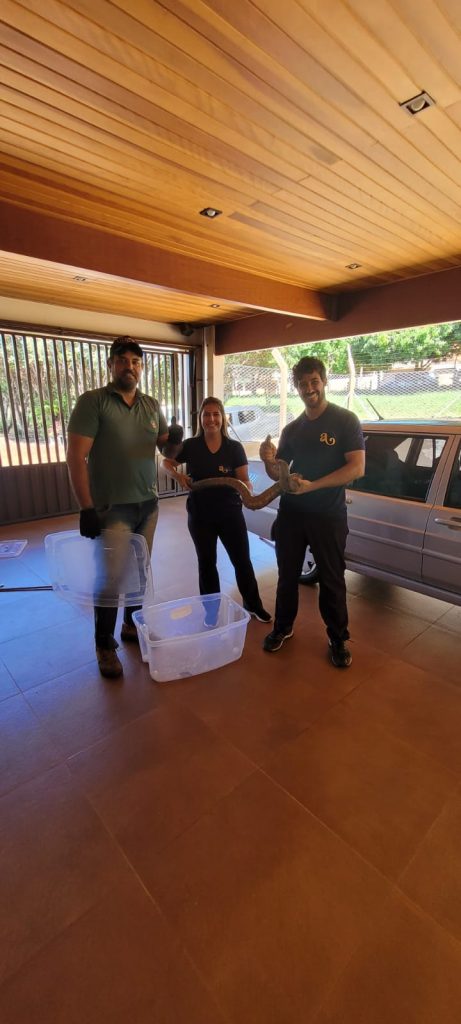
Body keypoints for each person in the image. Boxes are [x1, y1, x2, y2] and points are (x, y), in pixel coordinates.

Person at [66, 336, 169, 678]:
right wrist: (86, 508)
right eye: (122, 360)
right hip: (112, 509)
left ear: (142, 367)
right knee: (110, 579)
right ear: (111, 364)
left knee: (139, 572)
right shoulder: (93, 402)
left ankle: (131, 625)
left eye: (136, 362)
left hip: (148, 505)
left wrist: (176, 441)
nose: (130, 367)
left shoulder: (151, 404)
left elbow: (167, 450)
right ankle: (104, 645)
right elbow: (76, 457)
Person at [260, 356, 365, 667]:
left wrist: (313, 486)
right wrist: (269, 461)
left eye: (314, 381)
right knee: (287, 575)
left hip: (328, 515)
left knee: (332, 579)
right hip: (291, 514)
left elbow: (357, 468)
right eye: (303, 384)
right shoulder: (292, 429)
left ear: (324, 382)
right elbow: (280, 473)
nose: (309, 388)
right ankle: (283, 627)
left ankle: (338, 638)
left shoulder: (345, 420)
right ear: (297, 387)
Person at [163, 396, 271, 623]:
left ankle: (253, 604)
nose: (211, 419)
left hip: (230, 513)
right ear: (201, 419)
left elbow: (244, 479)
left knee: (242, 561)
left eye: (215, 414)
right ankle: (211, 612)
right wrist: (179, 476)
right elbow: (167, 462)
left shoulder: (234, 448)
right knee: (207, 563)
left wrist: (246, 489)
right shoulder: (191, 446)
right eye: (206, 414)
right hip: (200, 514)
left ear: (223, 418)